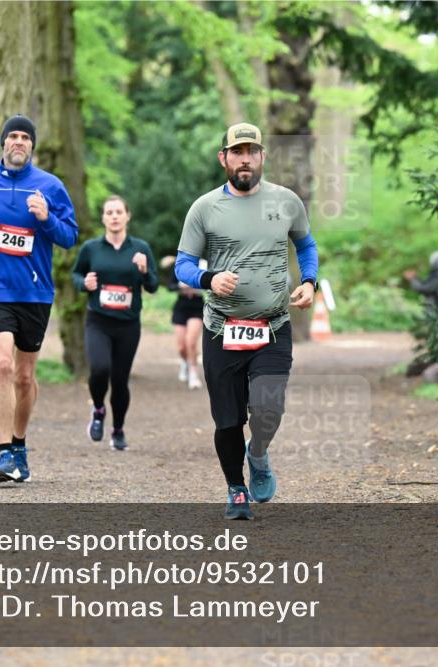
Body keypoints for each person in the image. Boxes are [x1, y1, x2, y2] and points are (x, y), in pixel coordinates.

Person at [175, 122, 318, 520]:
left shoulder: (286, 201)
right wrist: (209, 278)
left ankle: (258, 455)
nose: (244, 159)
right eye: (236, 152)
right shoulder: (204, 208)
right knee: (228, 420)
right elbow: (183, 265)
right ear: (224, 158)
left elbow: (306, 244)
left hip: (272, 325)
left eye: (251, 151)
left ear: (262, 157)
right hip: (222, 328)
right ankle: (236, 489)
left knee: (269, 409)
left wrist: (310, 281)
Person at [0, 114, 78, 483]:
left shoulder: (50, 186)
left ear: (32, 146)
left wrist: (45, 219)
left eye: (25, 137)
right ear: (3, 143)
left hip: (35, 292)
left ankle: (20, 445)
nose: (19, 142)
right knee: (4, 365)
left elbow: (69, 236)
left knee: (25, 376)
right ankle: (4, 453)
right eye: (13, 136)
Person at [72, 195, 159, 450]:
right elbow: (77, 274)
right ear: (103, 218)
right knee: (99, 369)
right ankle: (98, 409)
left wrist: (144, 271)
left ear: (127, 216)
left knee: (120, 380)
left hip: (128, 324)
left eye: (118, 212)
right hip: (98, 320)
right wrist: (83, 283)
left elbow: (153, 286)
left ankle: (118, 429)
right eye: (109, 212)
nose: (114, 216)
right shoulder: (91, 248)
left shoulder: (140, 248)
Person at [161, 254, 205, 390]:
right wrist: (182, 287)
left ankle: (193, 373)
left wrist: (197, 285)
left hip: (197, 306)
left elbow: (210, 284)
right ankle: (185, 362)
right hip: (181, 306)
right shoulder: (181, 265)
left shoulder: (204, 264)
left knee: (191, 342)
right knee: (181, 346)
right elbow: (170, 286)